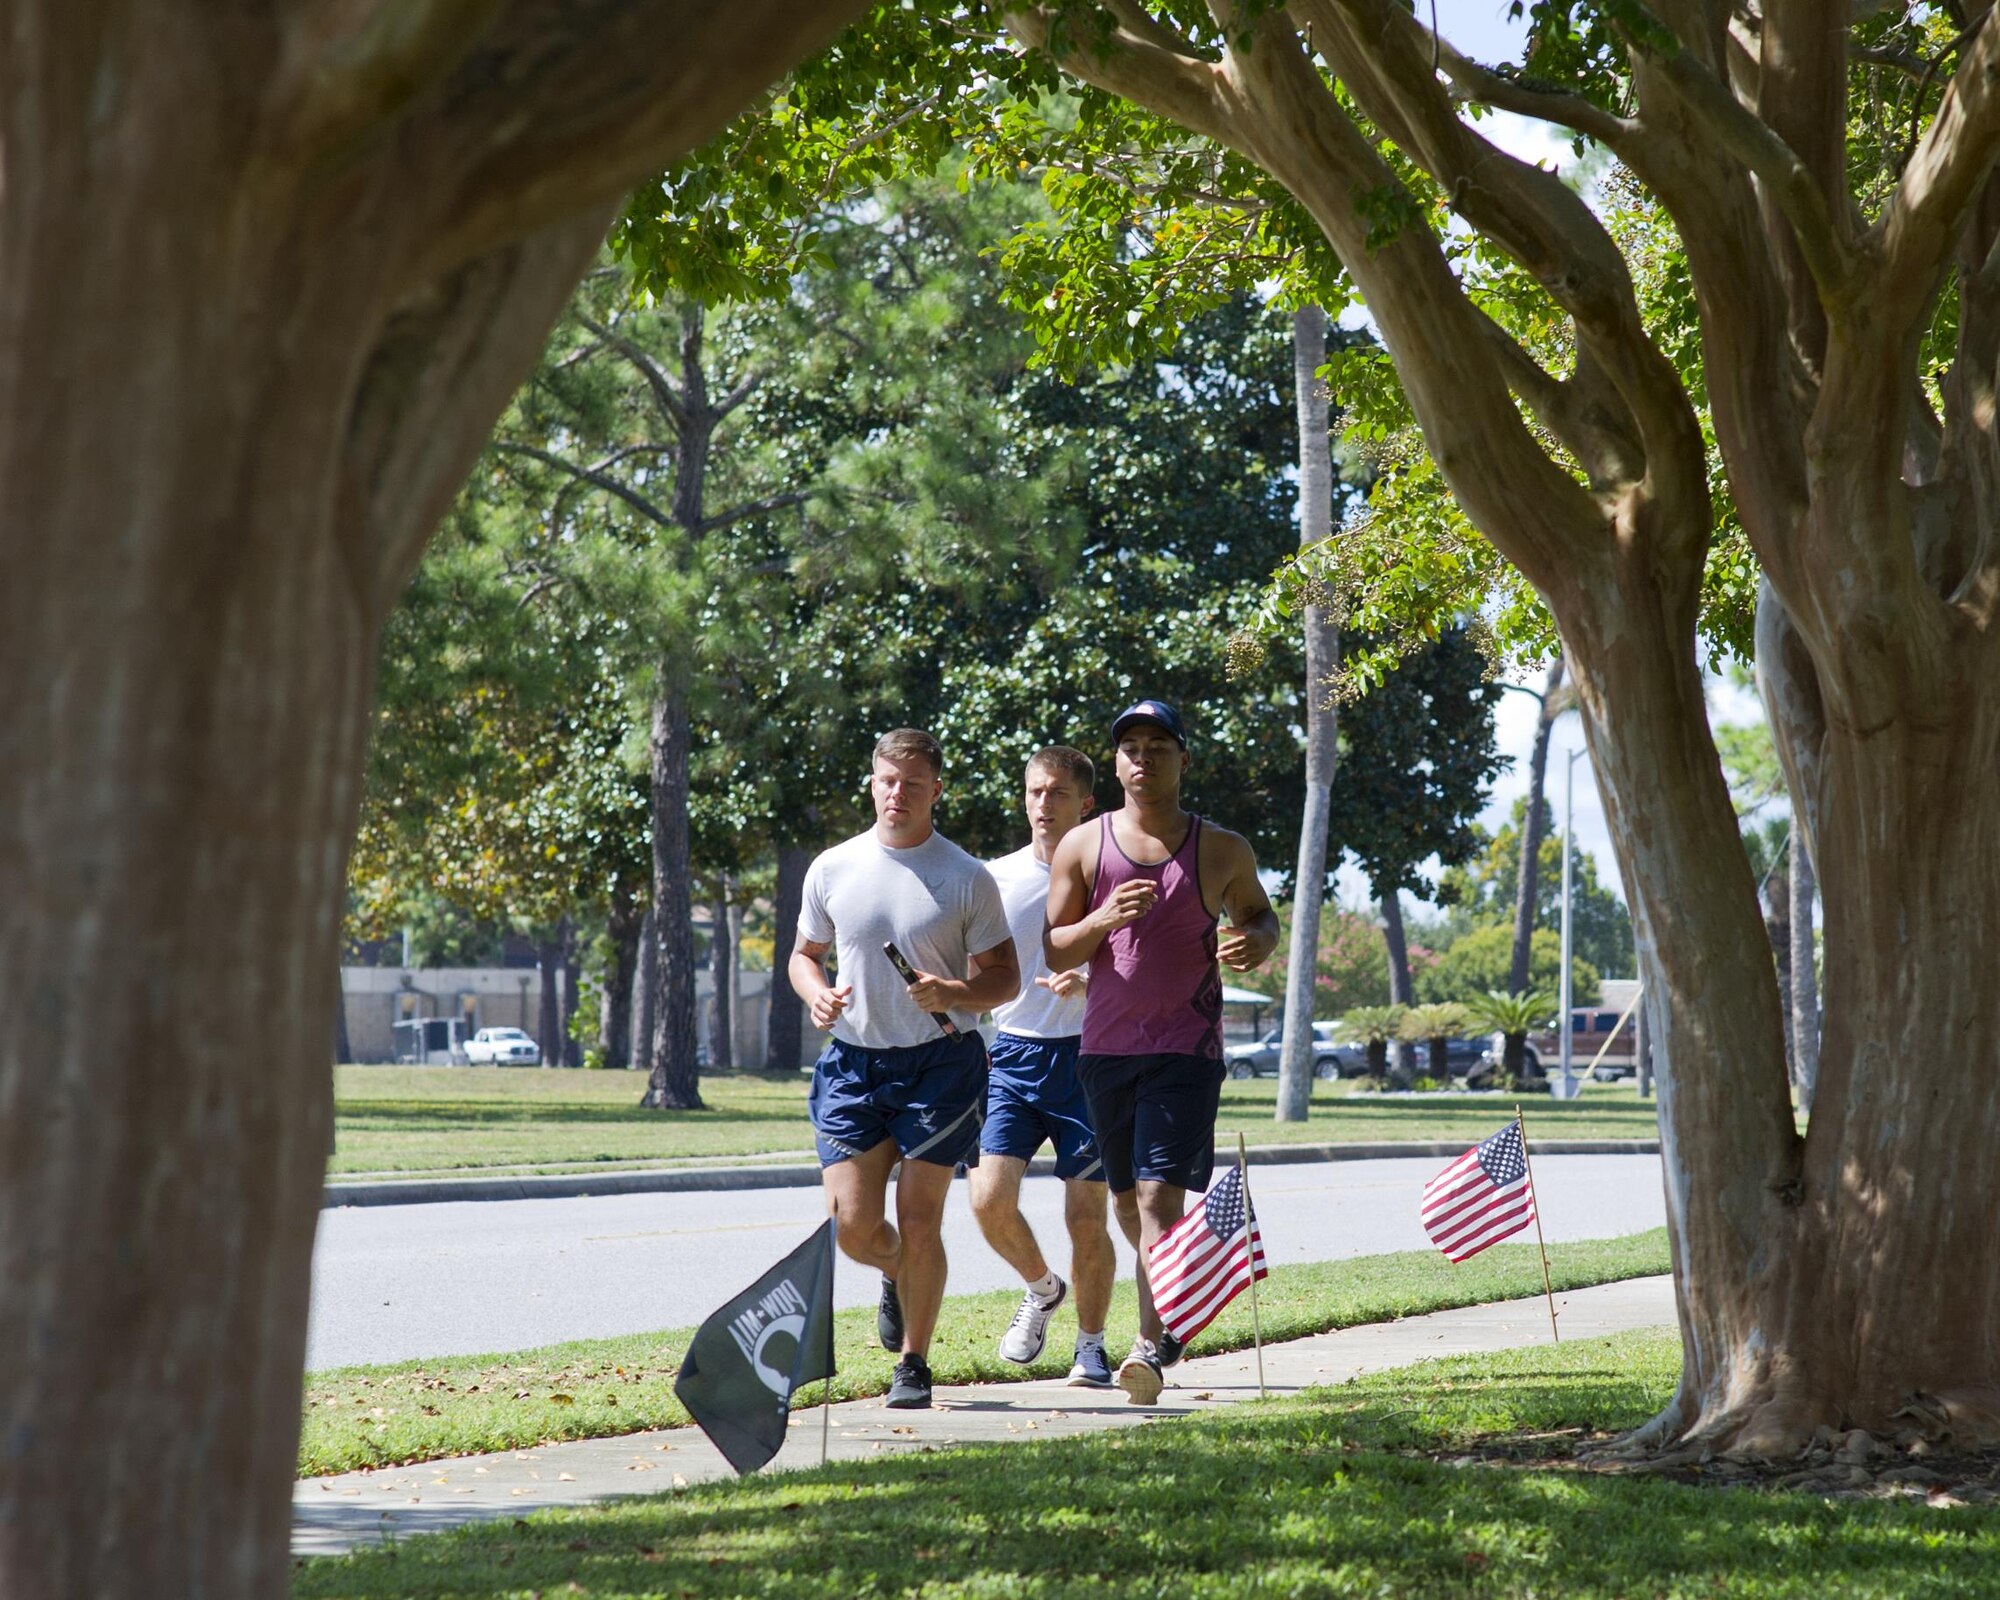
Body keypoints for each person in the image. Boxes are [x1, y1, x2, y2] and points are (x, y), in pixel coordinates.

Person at [1044, 698, 1279, 1405]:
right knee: (1125, 1203)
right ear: (1115, 763)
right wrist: (1103, 918)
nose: (1142, 759)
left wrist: (1253, 943)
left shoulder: (1221, 848)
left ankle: (1149, 1347)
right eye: (1130, 748)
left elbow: (1261, 917)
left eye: (1158, 747)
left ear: (1183, 759)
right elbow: (1056, 942)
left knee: (1154, 1196)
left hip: (1187, 1048)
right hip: (1106, 1050)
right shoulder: (1083, 846)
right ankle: (1170, 1304)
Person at [790, 728, 1020, 1409]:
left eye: (914, 784)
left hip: (942, 1065)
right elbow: (805, 955)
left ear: (936, 790)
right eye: (888, 781)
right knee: (852, 1227)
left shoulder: (965, 876)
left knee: (920, 1220)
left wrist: (953, 993)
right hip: (855, 1065)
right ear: (872, 783)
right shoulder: (832, 868)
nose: (899, 795)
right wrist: (816, 994)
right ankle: (899, 1273)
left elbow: (1004, 978)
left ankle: (914, 1364)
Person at [970, 747, 1119, 1387]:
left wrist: (1094, 986)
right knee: (987, 1200)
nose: (1042, 804)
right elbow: (971, 964)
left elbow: (1142, 965)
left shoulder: (1110, 877)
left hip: (1090, 1059)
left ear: (1086, 804)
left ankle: (1091, 1346)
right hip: (1013, 1055)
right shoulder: (994, 877)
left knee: (1086, 1217)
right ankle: (1041, 1287)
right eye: (1034, 792)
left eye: (1057, 793)